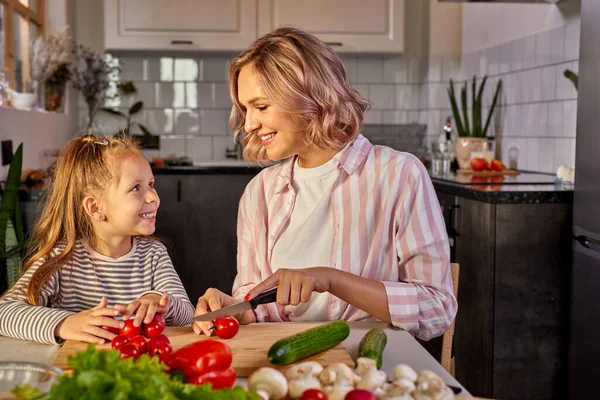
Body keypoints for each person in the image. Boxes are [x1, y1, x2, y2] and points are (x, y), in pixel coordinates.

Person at [193, 27, 457, 341]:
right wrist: (239, 306)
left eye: (261, 107)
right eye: (245, 109)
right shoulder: (259, 193)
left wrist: (332, 280)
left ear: (307, 94)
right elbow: (260, 304)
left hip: (371, 362)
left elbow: (437, 308)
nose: (249, 124)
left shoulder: (399, 175)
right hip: (287, 361)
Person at [0, 135, 194, 344]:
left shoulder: (154, 254)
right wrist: (65, 323)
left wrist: (162, 302)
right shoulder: (61, 259)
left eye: (151, 184)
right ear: (95, 208)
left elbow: (189, 315)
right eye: (136, 188)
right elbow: (4, 312)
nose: (153, 197)